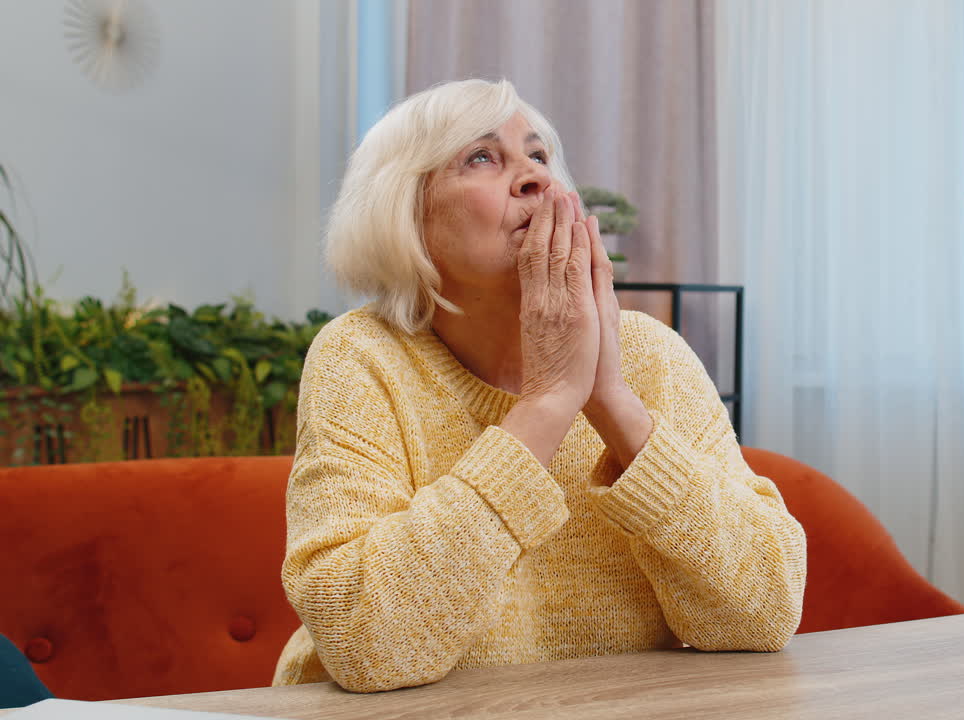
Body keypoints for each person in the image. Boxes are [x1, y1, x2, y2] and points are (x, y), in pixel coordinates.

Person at [272, 78, 807, 693]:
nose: (534, 178)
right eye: (481, 157)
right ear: (406, 213)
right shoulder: (361, 355)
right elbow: (368, 646)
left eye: (538, 155)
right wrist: (550, 400)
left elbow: (764, 614)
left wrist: (612, 401)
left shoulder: (649, 353)